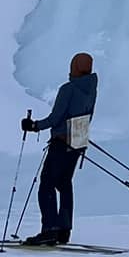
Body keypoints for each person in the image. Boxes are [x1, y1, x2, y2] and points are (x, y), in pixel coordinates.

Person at [19, 51, 97, 246]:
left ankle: (49, 230)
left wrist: (34, 126)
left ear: (74, 68)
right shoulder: (92, 90)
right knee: (64, 183)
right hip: (79, 139)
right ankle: (64, 230)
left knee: (46, 183)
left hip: (62, 141)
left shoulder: (68, 89)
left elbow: (56, 118)